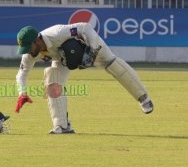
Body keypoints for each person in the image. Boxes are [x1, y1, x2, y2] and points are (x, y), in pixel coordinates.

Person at [15, 23, 154, 134]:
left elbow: (85, 27)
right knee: (52, 80)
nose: (27, 52)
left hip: (88, 45)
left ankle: (143, 98)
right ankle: (62, 126)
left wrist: (92, 50)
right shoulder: (30, 55)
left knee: (113, 64)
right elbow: (21, 74)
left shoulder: (56, 32)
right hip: (63, 59)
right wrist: (22, 93)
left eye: (29, 47)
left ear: (37, 40)